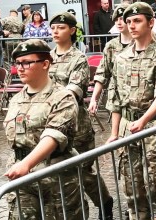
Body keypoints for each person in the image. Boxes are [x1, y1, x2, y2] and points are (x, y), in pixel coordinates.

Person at [106, 2, 156, 219]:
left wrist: (143, 120)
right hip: (127, 125)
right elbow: (115, 98)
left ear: (150, 23)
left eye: (137, 21)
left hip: (152, 125)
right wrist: (114, 133)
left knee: (155, 181)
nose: (131, 25)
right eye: (129, 21)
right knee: (132, 183)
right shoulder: (121, 58)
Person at [3, 39, 87, 219]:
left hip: (55, 176)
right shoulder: (16, 100)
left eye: (27, 62)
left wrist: (26, 164)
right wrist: (20, 164)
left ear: (45, 64)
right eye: (18, 63)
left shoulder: (62, 97)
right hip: (22, 178)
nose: (21, 68)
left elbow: (54, 135)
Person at [48, 12, 113, 219]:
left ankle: (105, 202)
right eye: (54, 28)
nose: (56, 31)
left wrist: (49, 100)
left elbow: (74, 90)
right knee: (64, 176)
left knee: (84, 173)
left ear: (72, 30)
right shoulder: (47, 58)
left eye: (61, 27)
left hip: (78, 127)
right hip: (53, 124)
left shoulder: (78, 59)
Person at [88, 3, 133, 137]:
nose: (119, 22)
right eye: (116, 19)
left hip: (137, 98)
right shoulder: (111, 46)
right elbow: (102, 72)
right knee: (118, 139)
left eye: (122, 18)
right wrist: (94, 98)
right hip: (117, 98)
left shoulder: (140, 43)